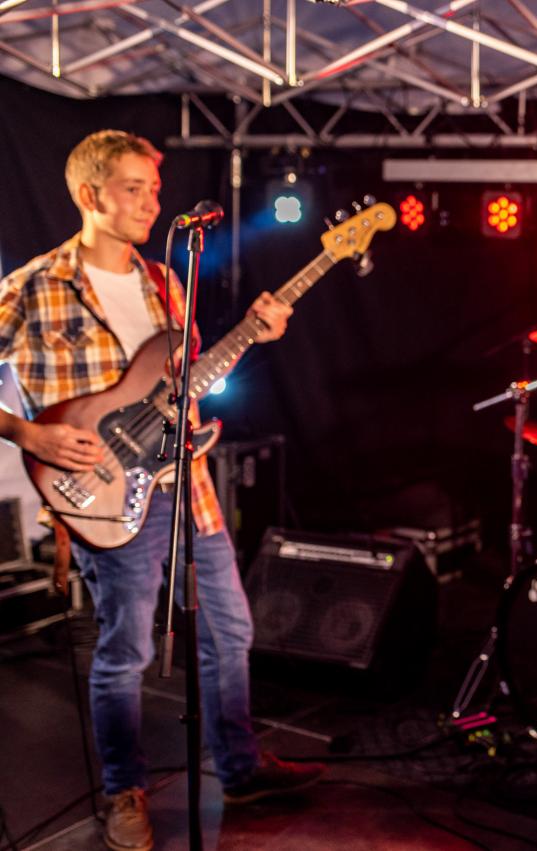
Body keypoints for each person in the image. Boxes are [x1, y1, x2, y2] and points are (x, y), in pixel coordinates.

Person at [0, 130, 323, 851]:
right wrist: (28, 435)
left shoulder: (165, 281)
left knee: (231, 632)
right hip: (104, 496)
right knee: (126, 654)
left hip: (189, 489)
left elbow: (184, 383)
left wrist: (253, 336)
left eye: (154, 187)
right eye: (133, 188)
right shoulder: (34, 285)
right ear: (90, 194)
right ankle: (125, 791)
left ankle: (239, 766)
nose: (152, 202)